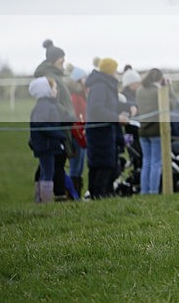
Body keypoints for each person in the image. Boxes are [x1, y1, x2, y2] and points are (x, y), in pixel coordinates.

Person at [34, 39, 75, 199]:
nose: (63, 64)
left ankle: (42, 196)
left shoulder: (55, 76)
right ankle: (57, 197)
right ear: (52, 61)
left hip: (61, 125)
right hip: (58, 126)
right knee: (56, 164)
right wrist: (68, 114)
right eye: (61, 61)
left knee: (49, 166)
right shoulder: (50, 78)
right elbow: (55, 103)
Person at [85, 58, 126, 199]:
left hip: (106, 132)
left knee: (107, 165)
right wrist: (117, 118)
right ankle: (98, 196)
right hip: (99, 133)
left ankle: (106, 196)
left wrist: (127, 108)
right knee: (102, 165)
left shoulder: (105, 85)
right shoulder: (100, 86)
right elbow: (97, 109)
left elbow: (111, 105)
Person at [28, 77, 68, 203]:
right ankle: (46, 202)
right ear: (46, 90)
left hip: (48, 144)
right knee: (48, 173)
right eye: (54, 88)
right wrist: (60, 135)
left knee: (45, 172)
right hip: (46, 145)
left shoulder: (46, 105)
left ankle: (40, 200)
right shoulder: (44, 106)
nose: (56, 90)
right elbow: (42, 126)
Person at [136, 68, 171, 195]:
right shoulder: (158, 91)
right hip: (156, 130)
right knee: (156, 162)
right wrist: (168, 88)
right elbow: (170, 106)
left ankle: (144, 191)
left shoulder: (139, 90)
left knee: (146, 162)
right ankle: (153, 191)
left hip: (142, 130)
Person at [68, 66, 88, 197]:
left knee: (79, 167)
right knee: (75, 167)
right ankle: (73, 194)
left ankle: (76, 194)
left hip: (81, 133)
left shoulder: (81, 95)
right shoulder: (75, 97)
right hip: (77, 135)